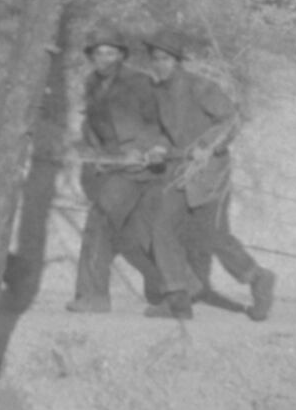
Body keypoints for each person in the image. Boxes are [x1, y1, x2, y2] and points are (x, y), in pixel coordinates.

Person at [141, 27, 277, 321]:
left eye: (165, 59)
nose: (160, 64)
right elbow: (166, 134)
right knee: (161, 230)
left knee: (213, 236)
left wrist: (206, 146)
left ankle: (257, 278)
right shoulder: (159, 93)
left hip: (209, 174)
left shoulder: (200, 87)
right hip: (179, 172)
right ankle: (178, 298)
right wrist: (157, 149)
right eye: (155, 59)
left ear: (178, 61)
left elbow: (230, 119)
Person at [67, 30, 198, 318]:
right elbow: (94, 127)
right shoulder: (92, 84)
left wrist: (146, 150)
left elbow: (161, 124)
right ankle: (184, 287)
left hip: (141, 167)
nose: (104, 59)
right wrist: (95, 154)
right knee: (143, 232)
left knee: (99, 222)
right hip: (116, 165)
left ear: (122, 56)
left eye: (111, 53)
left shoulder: (139, 83)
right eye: (99, 53)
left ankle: (92, 297)